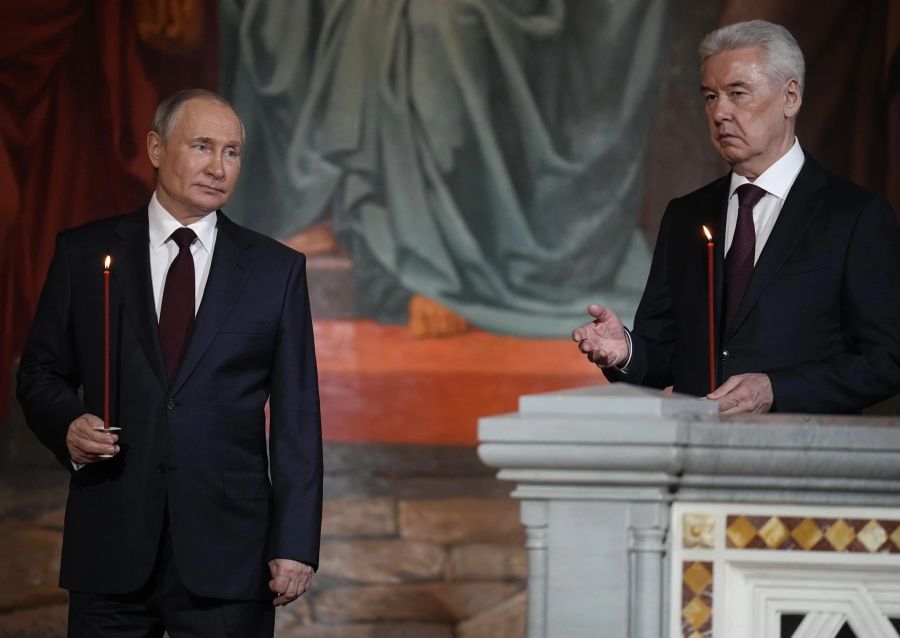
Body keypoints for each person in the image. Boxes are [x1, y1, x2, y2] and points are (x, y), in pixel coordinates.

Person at [16, 89, 322, 636]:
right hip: (109, 541)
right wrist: (67, 423)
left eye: (232, 152)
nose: (218, 167)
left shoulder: (277, 271)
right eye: (202, 146)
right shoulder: (84, 254)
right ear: (156, 148)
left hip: (231, 552)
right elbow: (39, 372)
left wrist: (295, 544)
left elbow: (298, 417)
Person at [572, 20, 900, 415]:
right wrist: (626, 350)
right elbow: (662, 358)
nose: (719, 112)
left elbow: (888, 359)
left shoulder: (855, 216)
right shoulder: (685, 216)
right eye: (710, 97)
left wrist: (776, 389)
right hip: (699, 463)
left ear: (790, 96)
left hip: (801, 463)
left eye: (737, 93)